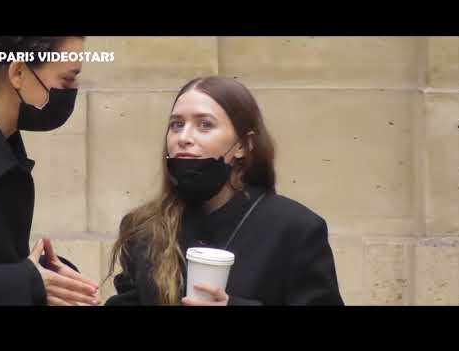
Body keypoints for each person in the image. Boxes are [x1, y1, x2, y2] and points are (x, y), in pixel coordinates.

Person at [106, 76, 344, 306]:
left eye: (205, 125)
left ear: (242, 145)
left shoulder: (295, 229)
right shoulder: (143, 228)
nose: (184, 137)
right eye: (176, 125)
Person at [0, 36, 99, 306]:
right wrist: (27, 282)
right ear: (18, 72)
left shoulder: (8, 152)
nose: (72, 92)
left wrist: (47, 279)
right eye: (67, 81)